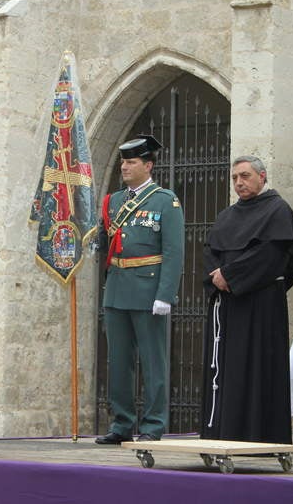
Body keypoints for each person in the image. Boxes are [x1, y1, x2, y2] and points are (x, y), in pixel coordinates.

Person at [200, 155, 293, 444]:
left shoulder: (278, 211)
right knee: (226, 372)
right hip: (227, 307)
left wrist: (231, 276)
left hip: (261, 307)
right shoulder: (227, 216)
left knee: (257, 371)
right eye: (235, 177)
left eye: (245, 176)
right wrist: (218, 277)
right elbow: (210, 251)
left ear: (262, 177)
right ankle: (222, 433)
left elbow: (271, 257)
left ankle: (256, 437)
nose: (239, 182)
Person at [95, 134, 185, 445]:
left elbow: (174, 252)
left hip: (149, 290)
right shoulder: (115, 201)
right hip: (117, 287)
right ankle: (121, 423)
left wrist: (165, 294)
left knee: (152, 360)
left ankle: (153, 424)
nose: (125, 166)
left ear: (148, 165)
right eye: (123, 161)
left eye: (131, 162)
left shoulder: (165, 200)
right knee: (118, 361)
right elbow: (105, 241)